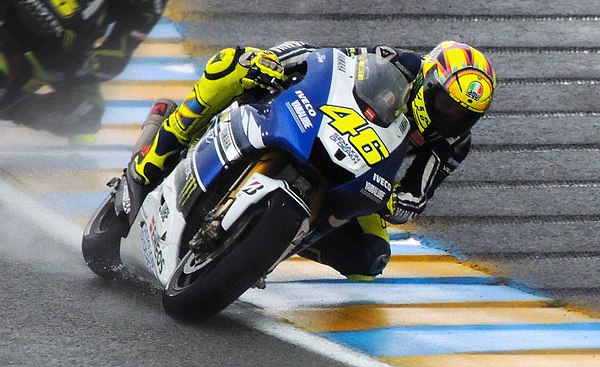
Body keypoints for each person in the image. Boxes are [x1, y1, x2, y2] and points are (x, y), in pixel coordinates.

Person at [126, 40, 496, 281]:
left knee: (371, 258)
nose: (451, 117)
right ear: (429, 82)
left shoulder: (453, 143)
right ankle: (155, 154)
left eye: (464, 115)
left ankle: (270, 244)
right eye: (446, 104)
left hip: (364, 170)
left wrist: (398, 202)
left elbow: (418, 193)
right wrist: (275, 62)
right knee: (234, 65)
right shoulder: (397, 63)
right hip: (318, 120)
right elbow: (327, 60)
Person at [0, 0, 167, 144]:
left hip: (58, 53)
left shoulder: (150, 4)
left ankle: (11, 106)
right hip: (10, 23)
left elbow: (116, 58)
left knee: (86, 115)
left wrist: (79, 61)